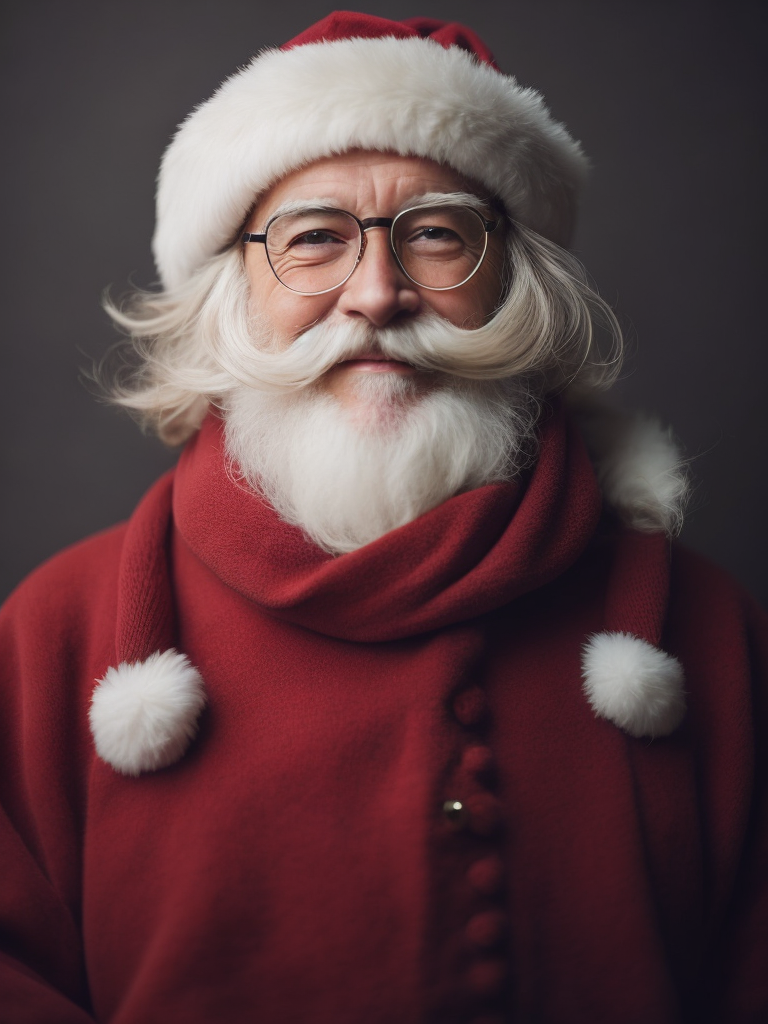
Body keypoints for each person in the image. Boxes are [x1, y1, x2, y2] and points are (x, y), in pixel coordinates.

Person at [0, 11, 765, 1024]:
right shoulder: (56, 632)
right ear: (230, 297)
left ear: (513, 283)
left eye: (439, 234)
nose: (377, 293)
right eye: (314, 239)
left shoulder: (707, 630)